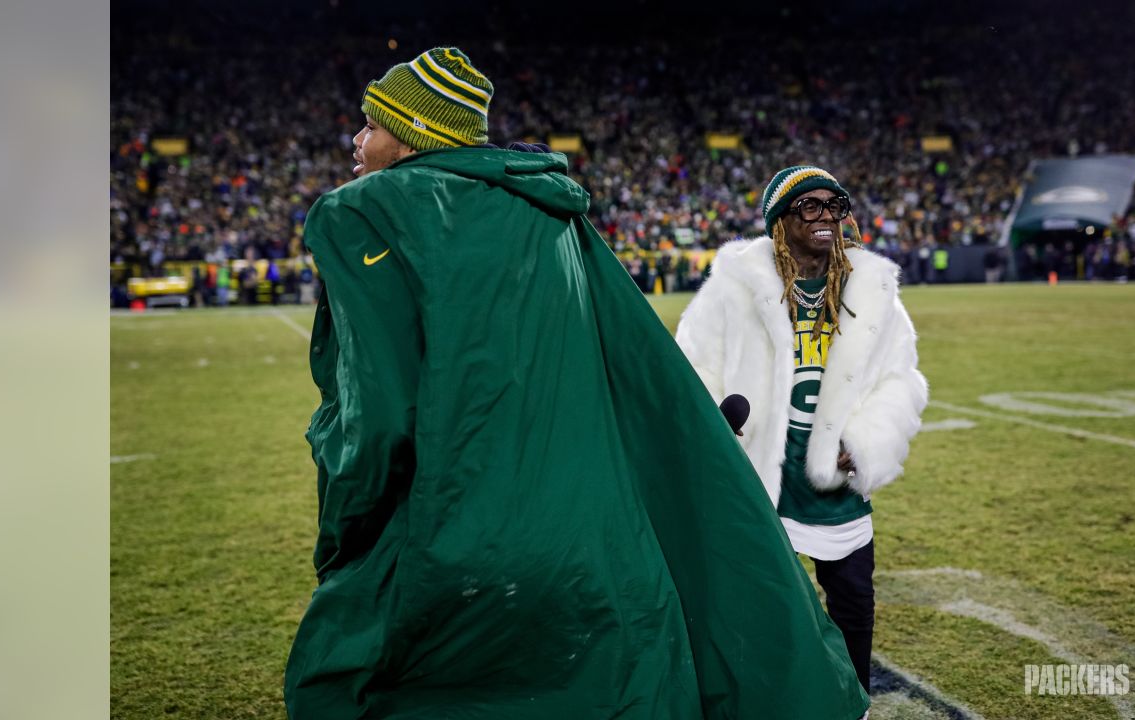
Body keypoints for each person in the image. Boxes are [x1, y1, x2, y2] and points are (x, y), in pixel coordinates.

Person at [284, 49, 870, 720]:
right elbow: (636, 363)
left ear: (415, 130)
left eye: (372, 123)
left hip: (454, 532)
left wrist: (344, 530)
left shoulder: (362, 211)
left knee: (345, 681)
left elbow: (377, 418)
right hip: (596, 538)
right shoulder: (551, 210)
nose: (358, 141)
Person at [676, 165, 929, 695]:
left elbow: (900, 380)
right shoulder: (735, 290)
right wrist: (716, 419)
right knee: (759, 606)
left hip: (834, 481)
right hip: (762, 472)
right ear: (779, 222)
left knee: (855, 603)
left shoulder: (872, 291)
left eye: (833, 204)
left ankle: (853, 699)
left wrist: (865, 440)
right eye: (808, 206)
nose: (825, 216)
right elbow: (693, 366)